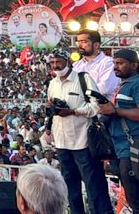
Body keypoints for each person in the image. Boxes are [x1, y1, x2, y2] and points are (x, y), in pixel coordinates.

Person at [44, 49, 111, 214]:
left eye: (58, 61)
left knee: (93, 185)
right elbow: (52, 109)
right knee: (70, 186)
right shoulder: (52, 83)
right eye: (52, 63)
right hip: (61, 142)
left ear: (68, 61)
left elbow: (96, 106)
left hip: (83, 142)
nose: (55, 65)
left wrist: (74, 111)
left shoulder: (83, 78)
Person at [97, 49, 139, 214]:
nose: (116, 67)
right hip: (125, 148)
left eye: (120, 63)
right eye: (114, 63)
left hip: (136, 149)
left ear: (134, 65)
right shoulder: (126, 84)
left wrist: (114, 111)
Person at [72, 30, 119, 97]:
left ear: (96, 45)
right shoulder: (77, 65)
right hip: (79, 105)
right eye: (78, 42)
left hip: (101, 106)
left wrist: (78, 92)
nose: (80, 45)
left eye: (84, 42)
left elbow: (104, 88)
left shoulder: (108, 63)